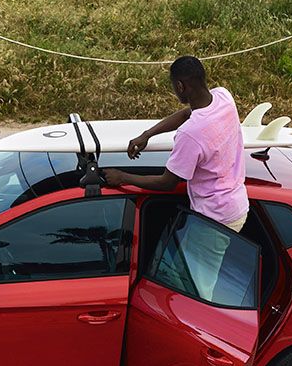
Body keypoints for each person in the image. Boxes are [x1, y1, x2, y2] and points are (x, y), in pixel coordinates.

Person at [101, 56, 248, 300]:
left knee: (200, 291)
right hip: (235, 204)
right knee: (186, 270)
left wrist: (121, 176)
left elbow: (167, 182)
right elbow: (186, 114)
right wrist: (147, 134)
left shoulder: (191, 135)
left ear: (180, 87)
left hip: (214, 218)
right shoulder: (223, 97)